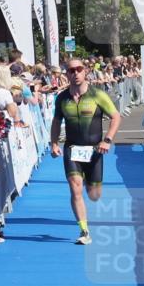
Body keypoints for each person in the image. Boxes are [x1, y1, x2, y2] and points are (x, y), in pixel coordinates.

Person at [49, 58, 121, 245]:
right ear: (67, 74)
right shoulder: (62, 98)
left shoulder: (97, 95)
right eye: (71, 70)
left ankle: (92, 183)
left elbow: (115, 116)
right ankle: (84, 230)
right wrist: (54, 143)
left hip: (95, 150)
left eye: (79, 69)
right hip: (72, 149)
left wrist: (107, 140)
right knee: (75, 188)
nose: (75, 73)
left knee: (94, 194)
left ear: (86, 71)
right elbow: (56, 122)